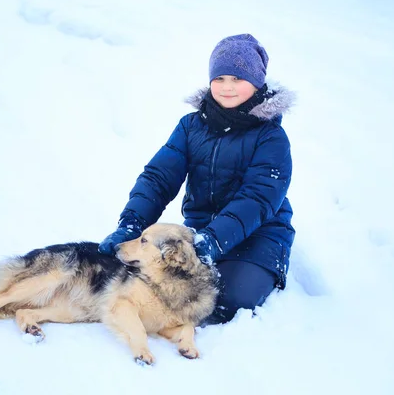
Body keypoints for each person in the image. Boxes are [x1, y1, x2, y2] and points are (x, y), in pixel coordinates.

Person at [98, 34, 296, 324]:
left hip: (259, 235)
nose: (227, 87)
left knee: (225, 300)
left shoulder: (271, 137)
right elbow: (158, 177)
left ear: (256, 83)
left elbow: (258, 198)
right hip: (200, 234)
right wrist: (132, 225)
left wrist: (214, 240)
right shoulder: (191, 126)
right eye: (220, 78)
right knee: (147, 280)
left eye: (238, 78)